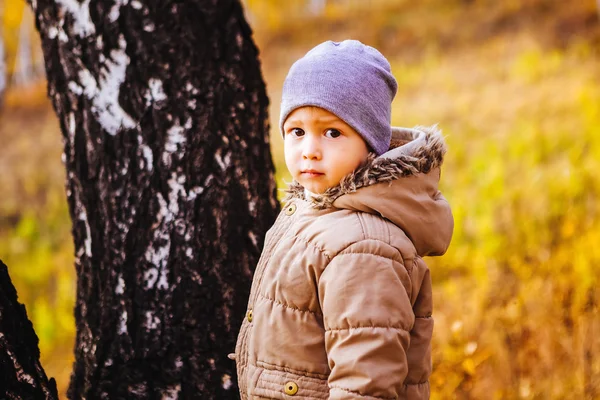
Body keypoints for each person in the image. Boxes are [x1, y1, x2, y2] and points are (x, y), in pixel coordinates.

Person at [232, 40, 454, 399]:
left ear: (370, 143)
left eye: (332, 132)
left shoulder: (365, 248)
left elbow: (366, 381)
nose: (310, 150)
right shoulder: (312, 210)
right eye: (297, 132)